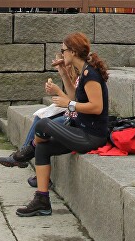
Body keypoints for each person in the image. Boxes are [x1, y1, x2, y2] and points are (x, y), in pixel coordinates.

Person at [16, 32, 110, 217]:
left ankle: (29, 149)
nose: (61, 54)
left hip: (91, 136)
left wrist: (68, 104)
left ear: (73, 52)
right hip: (80, 130)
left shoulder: (90, 74)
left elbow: (97, 107)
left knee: (42, 125)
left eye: (63, 50)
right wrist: (63, 73)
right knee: (43, 150)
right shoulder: (83, 73)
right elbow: (75, 96)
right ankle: (42, 200)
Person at [0, 48, 79, 168]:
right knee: (40, 118)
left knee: (44, 126)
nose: (57, 67)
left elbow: (74, 102)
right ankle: (22, 154)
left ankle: (22, 156)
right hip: (70, 112)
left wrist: (58, 91)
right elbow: (71, 101)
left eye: (59, 63)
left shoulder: (81, 76)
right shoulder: (70, 76)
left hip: (76, 118)